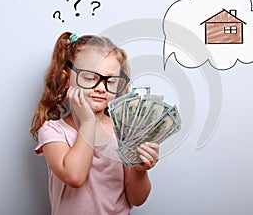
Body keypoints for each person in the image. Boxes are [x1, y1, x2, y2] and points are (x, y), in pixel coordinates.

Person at [31, 32, 159, 215]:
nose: (100, 88)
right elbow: (75, 176)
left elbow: (136, 199)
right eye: (90, 78)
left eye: (111, 81)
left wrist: (139, 170)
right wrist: (88, 121)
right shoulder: (53, 130)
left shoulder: (122, 130)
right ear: (66, 79)